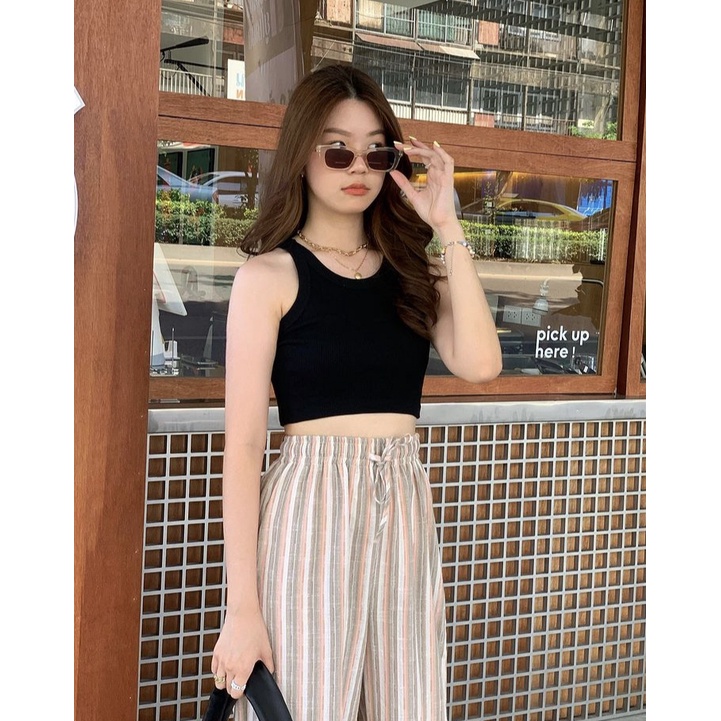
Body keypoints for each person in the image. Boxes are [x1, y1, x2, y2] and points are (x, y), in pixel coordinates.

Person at [210, 64, 502, 721]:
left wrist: (446, 225)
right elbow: (244, 446)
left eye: (378, 152)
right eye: (338, 150)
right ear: (302, 152)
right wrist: (242, 607)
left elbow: (481, 363)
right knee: (308, 702)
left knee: (410, 702)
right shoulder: (270, 275)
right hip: (311, 500)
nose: (359, 167)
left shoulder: (413, 270)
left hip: (403, 493)